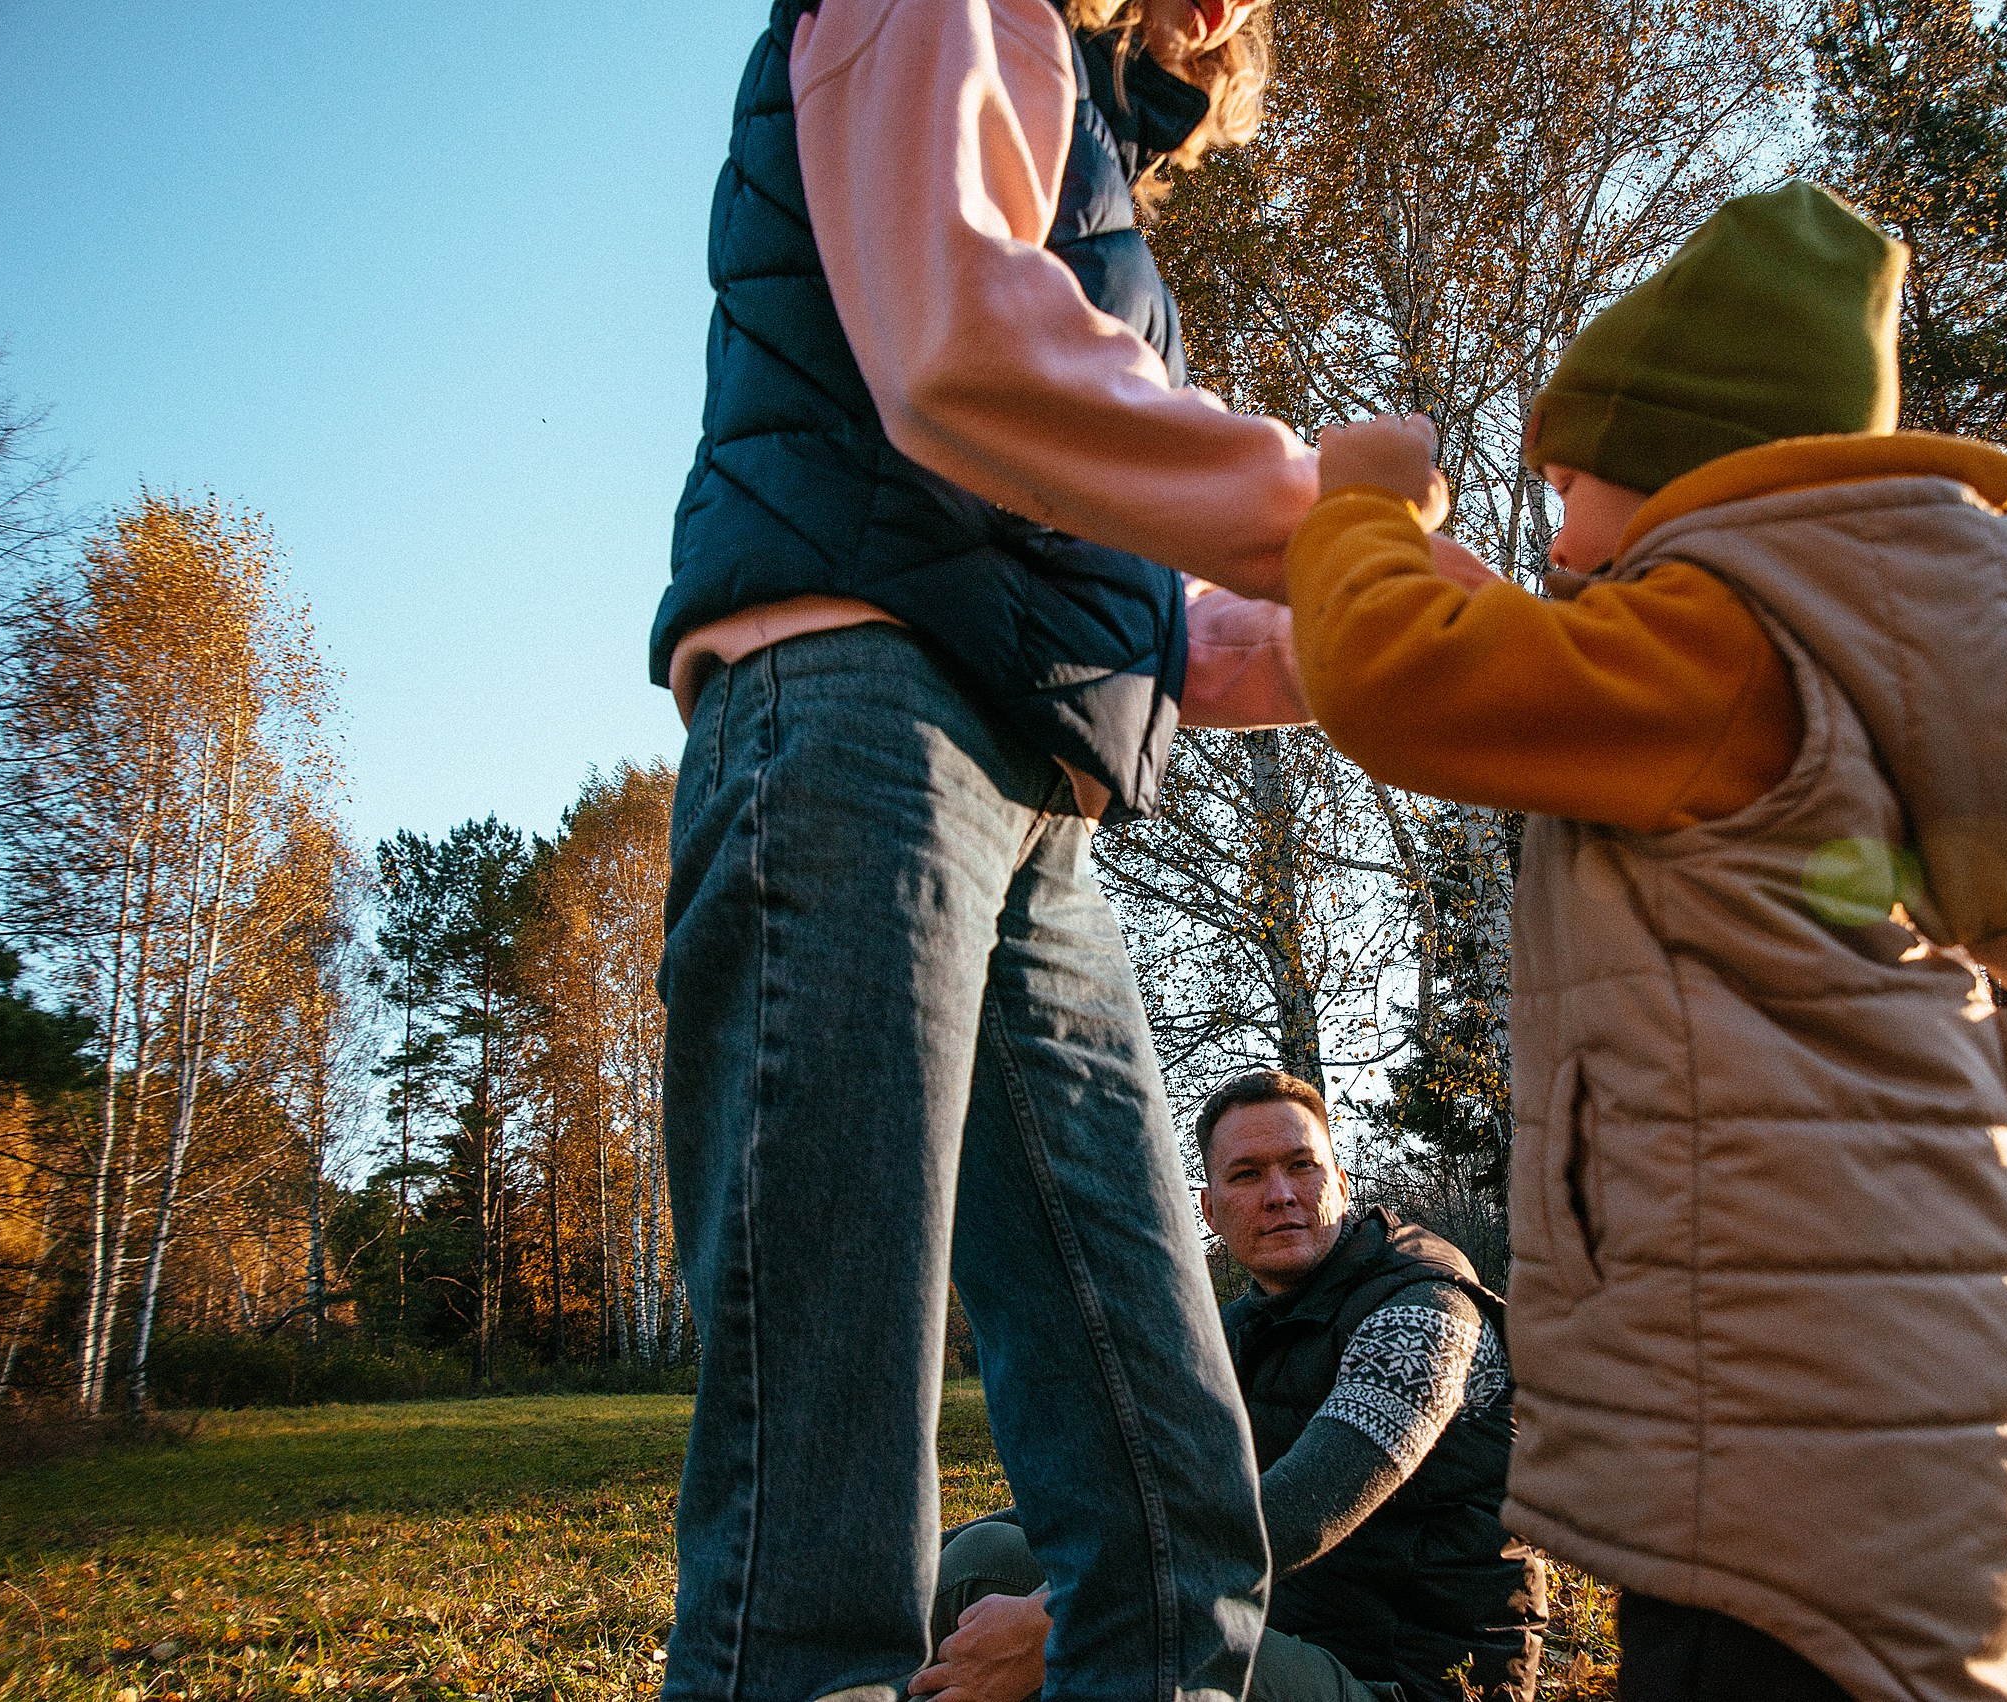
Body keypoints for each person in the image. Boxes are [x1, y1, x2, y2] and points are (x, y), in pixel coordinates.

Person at [1277, 182, 2007, 1702]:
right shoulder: (1813, 658)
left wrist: (1362, 509)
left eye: (1576, 485)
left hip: (1781, 1416)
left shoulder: (1718, 648)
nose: (1563, 538)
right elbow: (1573, 698)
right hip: (1853, 1374)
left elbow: (1407, 684)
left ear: (1690, 482)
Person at [648, 0, 1393, 1697]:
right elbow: (958, 358)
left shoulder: (1091, 154)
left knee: (1167, 1490)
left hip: (1032, 790)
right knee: (818, 1497)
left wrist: (1426, 646)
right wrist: (1329, 523)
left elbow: (1118, 608)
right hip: (852, 723)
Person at [913, 1071, 1546, 1702]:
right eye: (1247, 1175)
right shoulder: (1235, 1335)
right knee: (982, 1554)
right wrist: (892, 1562)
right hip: (1289, 1641)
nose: (1281, 1194)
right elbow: (1124, 1498)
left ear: (1341, 1185)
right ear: (1211, 1211)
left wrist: (1059, 1624)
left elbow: (1303, 1511)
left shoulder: (1424, 1312)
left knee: (1004, 1580)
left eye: (1302, 1166)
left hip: (1413, 1685)